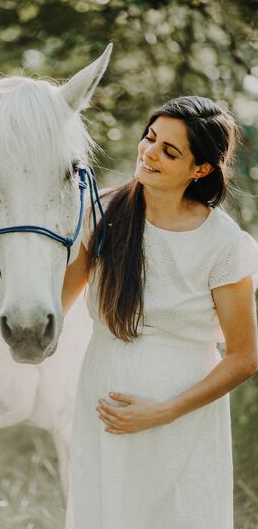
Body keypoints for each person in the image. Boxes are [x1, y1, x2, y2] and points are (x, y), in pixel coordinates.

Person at [61, 95, 258, 529]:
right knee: (105, 512)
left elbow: (244, 358)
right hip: (102, 404)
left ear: (201, 169)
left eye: (170, 151)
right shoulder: (105, 214)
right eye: (150, 138)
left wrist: (164, 410)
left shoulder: (224, 244)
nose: (150, 153)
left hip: (182, 415)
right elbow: (54, 307)